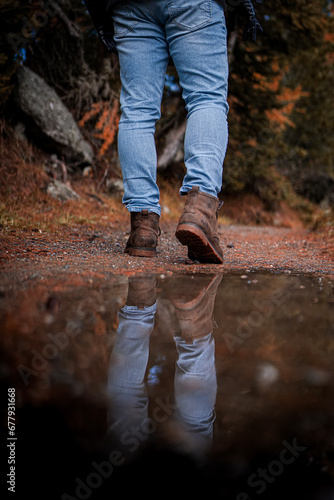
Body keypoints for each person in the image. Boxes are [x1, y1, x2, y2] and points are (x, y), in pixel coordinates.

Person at [84, 0, 262, 263]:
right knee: (206, 98)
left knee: (137, 111)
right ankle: (200, 210)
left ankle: (142, 227)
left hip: (130, 7)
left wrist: (100, 13)